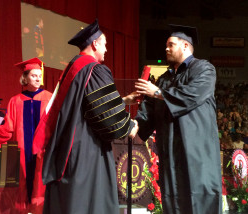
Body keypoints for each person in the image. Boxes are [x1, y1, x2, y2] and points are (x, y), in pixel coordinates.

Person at [32, 19, 138, 214]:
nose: (106, 50)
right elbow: (104, 114)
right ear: (95, 43)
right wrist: (129, 126)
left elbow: (88, 104)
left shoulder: (72, 67)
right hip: (86, 150)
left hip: (68, 148)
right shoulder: (95, 69)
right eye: (105, 45)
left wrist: (122, 101)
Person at [133, 25, 222, 213]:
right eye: (166, 45)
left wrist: (157, 92)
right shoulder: (165, 79)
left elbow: (191, 95)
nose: (166, 48)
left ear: (185, 46)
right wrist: (134, 125)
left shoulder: (204, 69)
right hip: (171, 153)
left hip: (197, 152)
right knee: (173, 199)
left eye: (171, 45)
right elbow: (150, 111)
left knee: (200, 196)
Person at [0, 58, 52, 213]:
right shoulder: (15, 101)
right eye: (33, 75)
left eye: (39, 75)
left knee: (41, 180)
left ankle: (41, 209)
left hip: (43, 149)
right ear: (25, 78)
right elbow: (8, 128)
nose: (38, 78)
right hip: (24, 151)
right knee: (25, 180)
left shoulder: (49, 98)